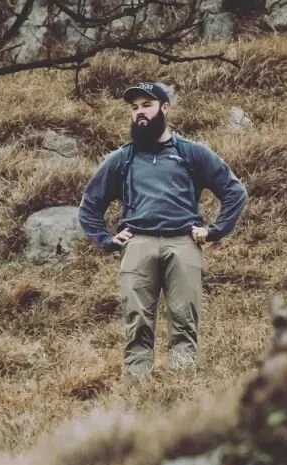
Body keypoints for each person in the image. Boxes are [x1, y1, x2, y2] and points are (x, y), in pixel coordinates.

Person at [78, 81, 247, 378]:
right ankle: (138, 394)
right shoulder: (122, 158)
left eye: (147, 105)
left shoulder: (191, 153)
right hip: (138, 243)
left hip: (183, 243)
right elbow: (90, 205)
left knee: (184, 322)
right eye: (135, 108)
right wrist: (106, 240)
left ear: (164, 108)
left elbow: (235, 192)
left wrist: (213, 231)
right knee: (137, 323)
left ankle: (179, 394)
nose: (140, 113)